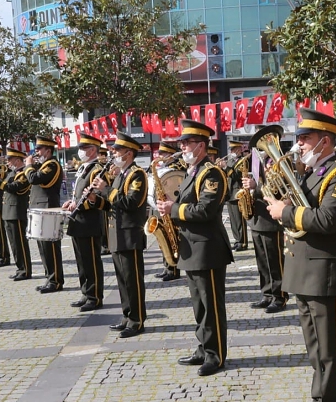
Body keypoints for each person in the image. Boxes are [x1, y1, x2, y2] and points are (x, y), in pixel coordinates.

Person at [265, 109, 336, 402]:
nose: (300, 143)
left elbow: (328, 220)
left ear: (325, 141)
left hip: (327, 274)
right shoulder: (309, 173)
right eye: (300, 138)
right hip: (303, 272)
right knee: (315, 348)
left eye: (306, 138)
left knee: (330, 350)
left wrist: (285, 212)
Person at [156, 119, 233, 376]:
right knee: (199, 305)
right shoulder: (193, 171)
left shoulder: (211, 173)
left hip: (207, 249)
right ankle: (203, 347)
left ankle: (216, 354)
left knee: (211, 305)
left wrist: (173, 209)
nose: (182, 146)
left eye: (187, 142)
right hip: (191, 247)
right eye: (181, 142)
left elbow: (206, 210)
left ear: (201, 145)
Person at [88, 131, 148, 338]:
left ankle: (137, 320)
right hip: (116, 234)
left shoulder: (137, 174)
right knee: (122, 280)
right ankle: (127, 315)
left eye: (117, 150)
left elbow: (131, 203)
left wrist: (105, 189)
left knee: (133, 280)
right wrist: (97, 200)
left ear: (129, 153)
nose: (113, 154)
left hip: (129, 234)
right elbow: (113, 205)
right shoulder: (121, 174)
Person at [242, 127, 288, 314]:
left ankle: (280, 296)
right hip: (258, 216)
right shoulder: (257, 160)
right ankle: (267, 293)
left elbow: (281, 189)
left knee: (275, 260)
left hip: (271, 217)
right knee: (262, 260)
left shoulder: (281, 161)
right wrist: (248, 187)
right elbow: (256, 182)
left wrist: (257, 186)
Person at [62, 132, 106, 312]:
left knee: (91, 261)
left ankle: (95, 296)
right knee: (81, 260)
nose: (80, 151)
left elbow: (98, 196)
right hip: (78, 222)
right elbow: (78, 194)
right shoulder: (84, 169)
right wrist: (71, 203)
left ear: (93, 149)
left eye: (84, 148)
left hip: (89, 221)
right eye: (80, 148)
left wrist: (78, 206)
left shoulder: (97, 169)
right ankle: (85, 292)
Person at [25, 136, 65, 293]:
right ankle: (49, 278)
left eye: (39, 149)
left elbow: (35, 179)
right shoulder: (43, 164)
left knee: (51, 248)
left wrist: (28, 165)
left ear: (48, 150)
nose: (36, 151)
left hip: (48, 209)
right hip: (40, 209)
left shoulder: (52, 165)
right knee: (43, 247)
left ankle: (56, 281)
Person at [0, 148, 32, 281]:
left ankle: (25, 270)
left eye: (10, 159)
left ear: (18, 160)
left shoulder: (23, 173)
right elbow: (2, 187)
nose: (8, 162)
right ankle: (20, 268)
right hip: (8, 212)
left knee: (20, 243)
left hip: (17, 211)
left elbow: (13, 188)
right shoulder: (12, 172)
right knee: (14, 244)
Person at [152, 141, 183, 282]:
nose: (161, 156)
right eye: (160, 153)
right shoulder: (162, 168)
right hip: (159, 206)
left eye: (163, 153)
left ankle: (174, 269)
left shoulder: (177, 167)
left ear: (171, 154)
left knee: (172, 237)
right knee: (163, 239)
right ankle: (167, 267)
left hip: (170, 206)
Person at [223, 140, 249, 251]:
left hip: (237, 192)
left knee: (239, 220)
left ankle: (243, 242)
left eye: (234, 150)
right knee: (233, 219)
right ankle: (237, 240)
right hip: (230, 193)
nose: (232, 152)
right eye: (231, 150)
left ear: (239, 149)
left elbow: (234, 175)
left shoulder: (243, 161)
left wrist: (227, 166)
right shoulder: (231, 161)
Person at [97, 145, 112, 256]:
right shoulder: (99, 166)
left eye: (102, 155)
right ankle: (103, 244)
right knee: (101, 224)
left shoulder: (109, 167)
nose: (101, 157)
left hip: (106, 197)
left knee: (105, 223)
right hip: (100, 197)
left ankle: (107, 245)